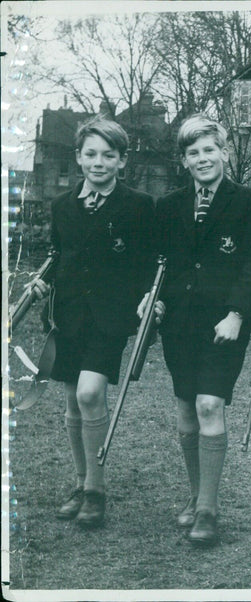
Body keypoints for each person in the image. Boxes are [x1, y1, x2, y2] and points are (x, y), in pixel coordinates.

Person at [147, 114, 251, 546]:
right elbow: (157, 263)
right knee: (186, 409)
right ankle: (196, 493)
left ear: (225, 152)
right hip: (179, 324)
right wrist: (153, 297)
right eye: (193, 152)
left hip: (225, 326)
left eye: (209, 150)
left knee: (209, 405)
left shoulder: (250, 201)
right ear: (184, 160)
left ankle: (208, 510)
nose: (203, 159)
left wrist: (237, 313)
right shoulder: (168, 206)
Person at [30, 116, 155, 528]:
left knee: (89, 394)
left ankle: (96, 491)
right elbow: (59, 256)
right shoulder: (63, 205)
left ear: (121, 160)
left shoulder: (138, 206)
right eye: (90, 154)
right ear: (79, 157)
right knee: (71, 399)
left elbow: (146, 266)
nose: (98, 163)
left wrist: (144, 303)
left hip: (109, 318)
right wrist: (42, 282)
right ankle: (81, 482)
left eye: (108, 155)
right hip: (68, 315)